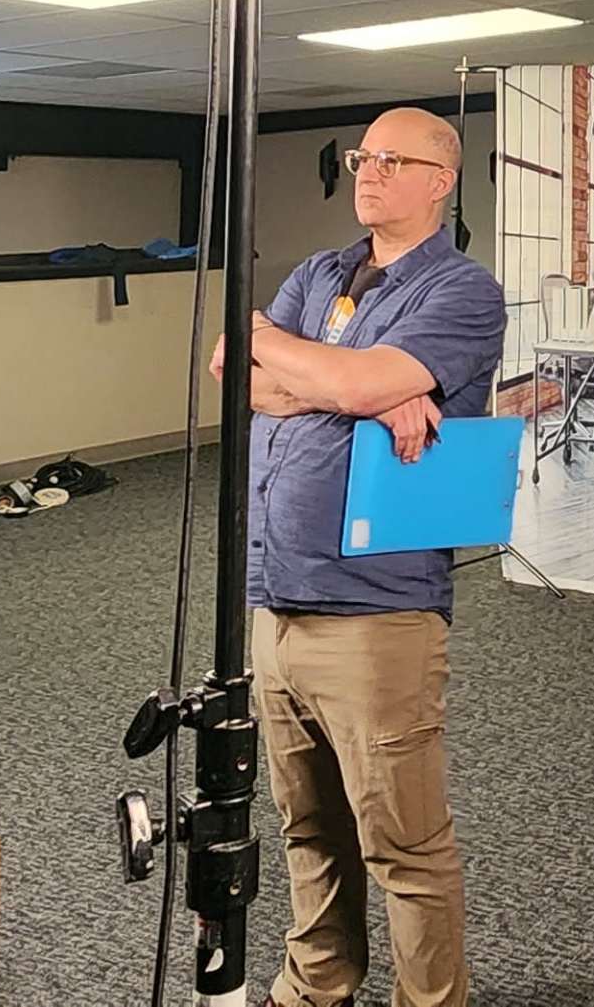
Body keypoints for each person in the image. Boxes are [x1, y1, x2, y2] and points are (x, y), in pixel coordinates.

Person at [213, 105, 504, 1007]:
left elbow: (339, 374)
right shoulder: (320, 272)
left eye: (390, 159)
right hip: (277, 596)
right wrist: (360, 391)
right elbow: (234, 364)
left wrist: (343, 379)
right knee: (307, 825)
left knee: (403, 845)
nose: (366, 172)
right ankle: (315, 986)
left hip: (377, 611)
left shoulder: (462, 290)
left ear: (440, 181)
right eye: (359, 156)